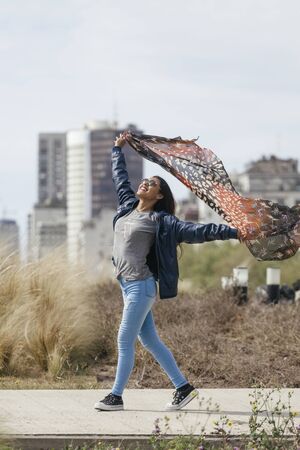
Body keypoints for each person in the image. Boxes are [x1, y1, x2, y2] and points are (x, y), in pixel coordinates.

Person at [94, 132, 240, 412]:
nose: (145, 183)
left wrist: (234, 231)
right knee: (149, 340)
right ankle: (183, 388)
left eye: (153, 184)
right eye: (146, 180)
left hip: (141, 287)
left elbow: (201, 231)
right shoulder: (127, 207)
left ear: (159, 195)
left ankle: (116, 396)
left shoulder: (160, 221)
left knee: (124, 339)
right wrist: (117, 150)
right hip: (127, 285)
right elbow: (119, 178)